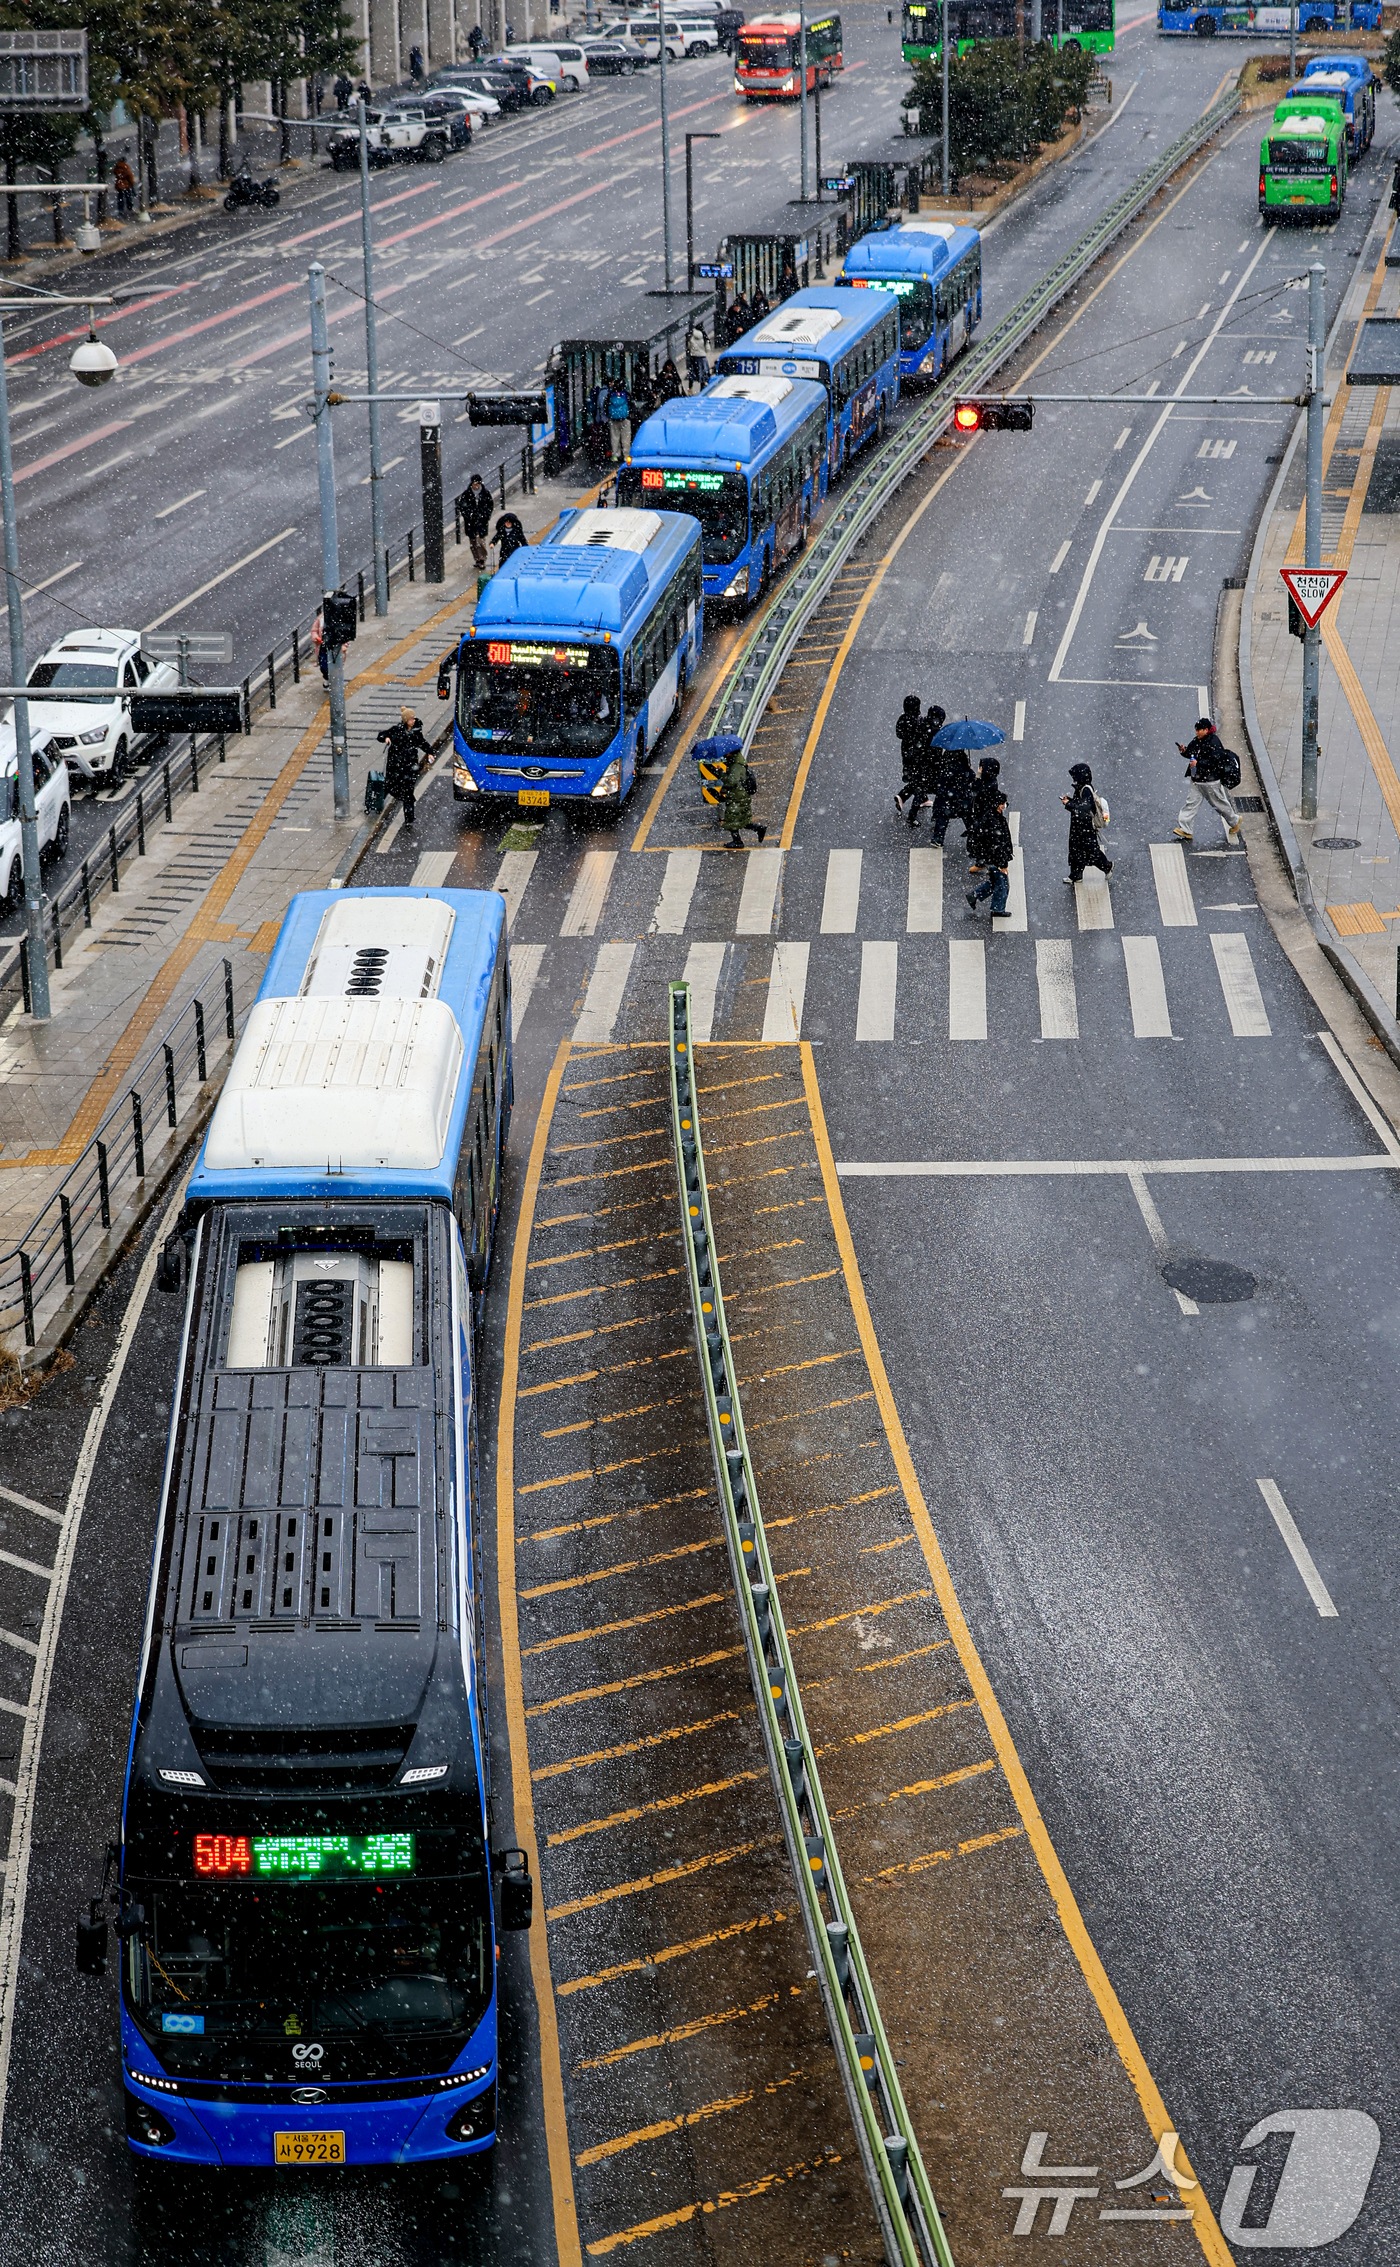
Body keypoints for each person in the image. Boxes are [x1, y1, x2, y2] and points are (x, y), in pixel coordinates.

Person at [1174, 714, 1241, 845]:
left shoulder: (1214, 742)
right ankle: (1186, 829)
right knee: (1191, 804)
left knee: (1219, 804)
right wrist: (1184, 751)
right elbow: (1191, 753)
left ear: (1206, 730)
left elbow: (1215, 761)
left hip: (1209, 781)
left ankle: (1234, 821)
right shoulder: (1197, 740)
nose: (1197, 732)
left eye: (1199, 730)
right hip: (1196, 779)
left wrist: (1198, 763)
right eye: (1196, 730)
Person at [378, 707, 431, 830]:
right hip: (396, 767)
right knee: (390, 786)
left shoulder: (416, 732)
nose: (413, 721)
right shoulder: (396, 730)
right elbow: (382, 735)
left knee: (408, 793)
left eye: (413, 718)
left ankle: (409, 819)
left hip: (409, 768)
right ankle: (377, 804)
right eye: (411, 719)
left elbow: (422, 743)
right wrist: (386, 738)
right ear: (406, 720)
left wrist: (430, 752)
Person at [1063, 761, 1113, 885]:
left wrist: (1069, 804)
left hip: (1085, 827)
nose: (1073, 779)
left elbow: (1085, 807)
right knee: (1076, 851)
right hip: (1079, 827)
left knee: (1091, 851)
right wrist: (1070, 801)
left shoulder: (1086, 790)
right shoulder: (1081, 787)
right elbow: (1080, 804)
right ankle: (1076, 875)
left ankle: (1107, 866)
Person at [966, 788, 1013, 919]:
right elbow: (997, 846)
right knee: (1002, 885)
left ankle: (975, 895)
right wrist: (1002, 864)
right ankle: (997, 909)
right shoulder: (995, 821)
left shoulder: (990, 817)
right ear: (999, 805)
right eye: (1004, 803)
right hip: (994, 859)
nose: (1005, 805)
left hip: (989, 858)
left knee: (995, 882)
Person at [720, 747, 766, 848]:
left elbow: (732, 781)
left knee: (731, 819)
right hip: (740, 795)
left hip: (737, 796)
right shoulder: (736, 761)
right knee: (742, 819)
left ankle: (737, 841)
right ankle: (758, 829)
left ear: (730, 752)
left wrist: (721, 774)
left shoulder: (736, 765)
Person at [965, 755, 1004, 872]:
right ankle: (982, 862)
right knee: (980, 841)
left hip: (986, 818)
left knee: (986, 842)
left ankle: (990, 864)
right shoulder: (987, 780)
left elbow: (975, 789)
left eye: (981, 767)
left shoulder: (989, 784)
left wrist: (976, 776)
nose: (980, 769)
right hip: (980, 816)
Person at [458, 472, 493, 572]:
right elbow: (462, 506)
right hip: (471, 522)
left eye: (478, 484)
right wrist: (468, 515)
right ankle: (477, 559)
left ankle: (482, 559)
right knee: (473, 542)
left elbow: (490, 505)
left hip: (481, 522)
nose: (476, 486)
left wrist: (485, 516)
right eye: (475, 484)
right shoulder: (467, 494)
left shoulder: (485, 494)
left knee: (480, 541)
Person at [606, 379, 631, 463]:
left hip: (613, 420)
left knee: (614, 437)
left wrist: (609, 415)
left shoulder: (610, 395)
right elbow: (631, 405)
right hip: (625, 419)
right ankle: (626, 455)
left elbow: (605, 406)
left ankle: (615, 455)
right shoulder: (626, 394)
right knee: (626, 438)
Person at [686, 315, 710, 393]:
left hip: (694, 356)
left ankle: (690, 389)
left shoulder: (691, 335)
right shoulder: (704, 336)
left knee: (692, 374)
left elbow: (689, 346)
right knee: (702, 374)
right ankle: (702, 389)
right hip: (702, 356)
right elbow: (708, 349)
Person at [113, 153, 136, 219]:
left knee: (120, 198)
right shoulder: (126, 167)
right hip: (126, 185)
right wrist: (132, 184)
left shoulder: (117, 167)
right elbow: (130, 176)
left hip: (119, 184)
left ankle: (120, 210)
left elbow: (115, 173)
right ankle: (130, 208)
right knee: (128, 197)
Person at [311, 609, 329, 683]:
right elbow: (314, 631)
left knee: (334, 666)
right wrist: (316, 637)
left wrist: (344, 645)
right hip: (323, 646)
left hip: (334, 647)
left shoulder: (338, 617)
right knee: (324, 666)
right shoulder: (321, 618)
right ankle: (326, 679)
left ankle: (330, 681)